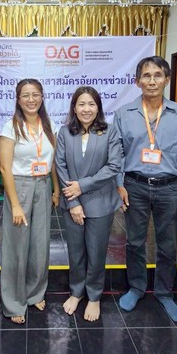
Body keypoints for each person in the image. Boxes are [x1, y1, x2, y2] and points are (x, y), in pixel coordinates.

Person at [113, 56, 177, 323]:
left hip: (170, 188)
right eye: (146, 76)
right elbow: (117, 152)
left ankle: (164, 292)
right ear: (137, 81)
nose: (152, 81)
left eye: (158, 75)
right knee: (134, 242)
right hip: (134, 185)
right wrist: (119, 184)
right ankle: (136, 287)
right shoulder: (124, 114)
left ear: (167, 80)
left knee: (168, 244)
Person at [55, 86, 123, 322]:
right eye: (81, 104)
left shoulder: (109, 132)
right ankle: (76, 292)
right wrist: (73, 201)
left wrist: (81, 186)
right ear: (74, 108)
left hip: (100, 202)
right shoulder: (65, 133)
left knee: (96, 252)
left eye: (91, 104)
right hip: (71, 202)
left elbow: (114, 166)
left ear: (98, 108)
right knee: (75, 252)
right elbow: (60, 166)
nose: (86, 109)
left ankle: (94, 296)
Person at [0, 79, 60, 324]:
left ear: (42, 97)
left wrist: (56, 189)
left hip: (43, 185)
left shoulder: (49, 125)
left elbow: (52, 161)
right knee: (17, 245)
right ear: (18, 99)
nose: (31, 99)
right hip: (20, 186)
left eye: (35, 94)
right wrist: (15, 204)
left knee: (40, 244)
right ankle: (14, 302)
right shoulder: (10, 127)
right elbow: (5, 168)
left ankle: (35, 293)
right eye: (25, 95)